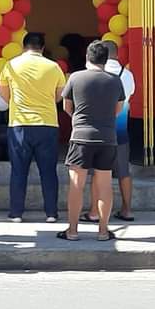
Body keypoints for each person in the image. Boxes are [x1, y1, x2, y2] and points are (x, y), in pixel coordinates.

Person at [58, 41, 125, 242]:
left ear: (87, 57)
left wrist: (78, 120)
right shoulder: (115, 81)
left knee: (76, 184)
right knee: (104, 185)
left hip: (81, 137)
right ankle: (103, 231)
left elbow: (67, 107)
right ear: (106, 59)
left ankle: (72, 231)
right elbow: (118, 110)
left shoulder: (75, 78)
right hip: (107, 137)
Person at [0, 32, 66, 223]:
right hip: (47, 124)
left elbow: (4, 95)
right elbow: (59, 96)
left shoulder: (11, 65)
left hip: (19, 124)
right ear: (43, 48)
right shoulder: (54, 67)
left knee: (19, 170)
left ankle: (16, 213)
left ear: (23, 46)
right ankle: (51, 213)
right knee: (48, 171)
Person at [81, 40, 136, 223]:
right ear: (117, 54)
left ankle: (94, 212)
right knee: (124, 172)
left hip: (98, 130)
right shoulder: (127, 75)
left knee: (98, 172)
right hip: (120, 131)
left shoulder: (93, 74)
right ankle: (127, 210)